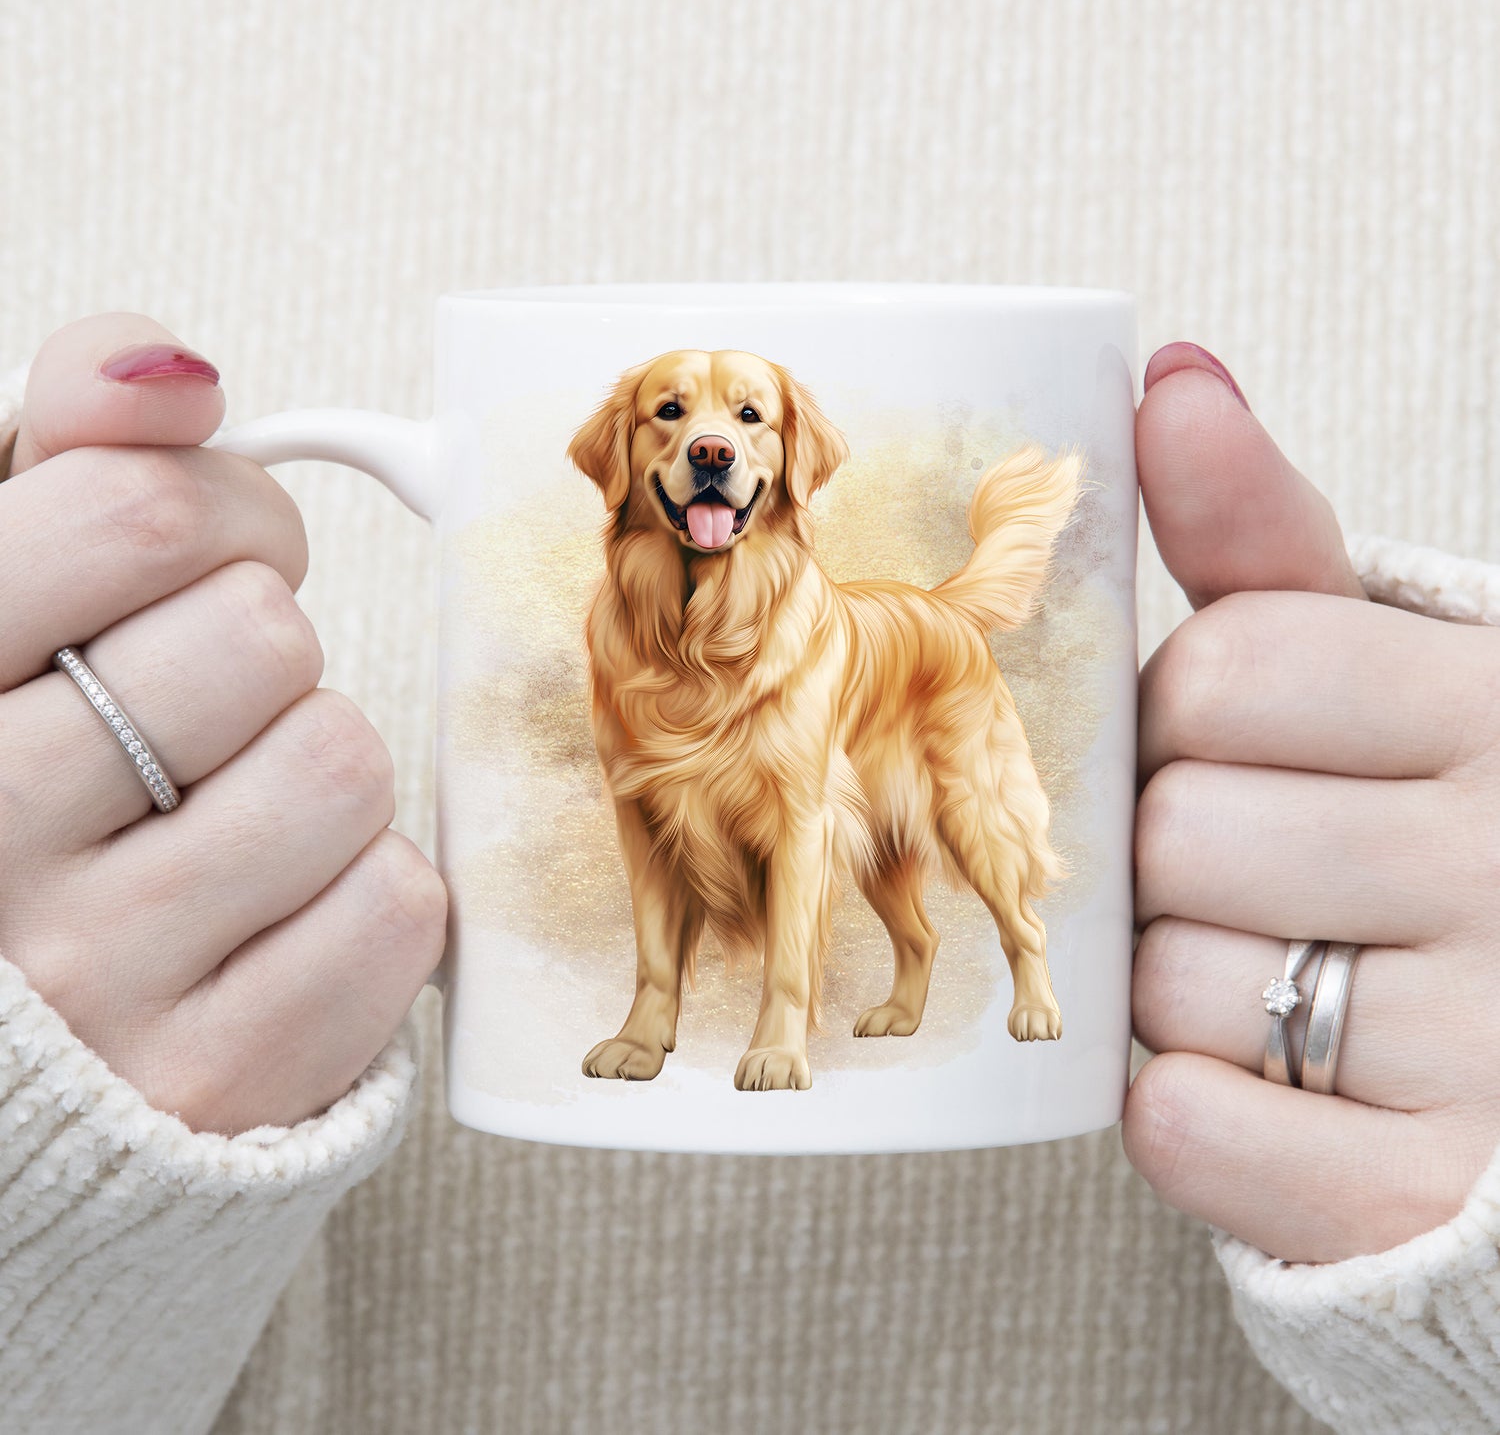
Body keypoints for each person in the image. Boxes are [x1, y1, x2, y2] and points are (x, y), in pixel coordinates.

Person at [1, 315, 1498, 1435]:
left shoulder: (809, 589)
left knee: (953, 837)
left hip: (912, 671)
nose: (706, 443)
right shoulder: (618, 623)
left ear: (788, 463)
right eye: (672, 419)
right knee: (667, 827)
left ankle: (993, 970)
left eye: (741, 422)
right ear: (627, 459)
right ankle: (664, 1015)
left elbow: (820, 834)